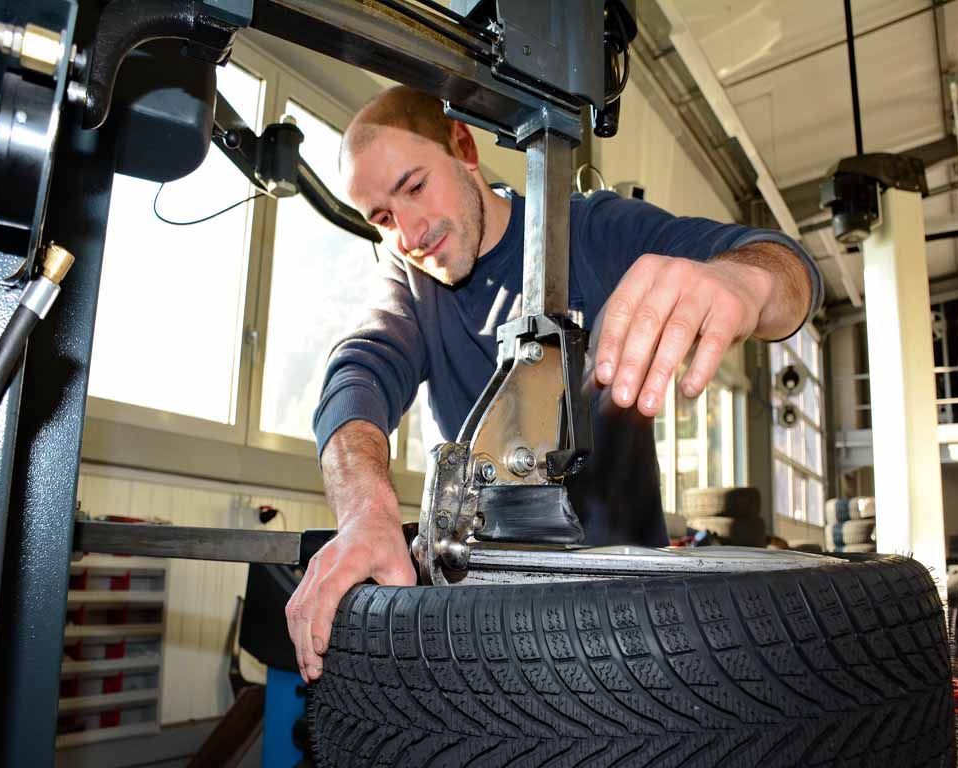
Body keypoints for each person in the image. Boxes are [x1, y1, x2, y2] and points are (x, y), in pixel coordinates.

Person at [287, 86, 821, 683]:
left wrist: (744, 285)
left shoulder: (592, 230)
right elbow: (360, 368)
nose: (409, 233)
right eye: (382, 218)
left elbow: (787, 268)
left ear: (464, 147)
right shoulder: (410, 282)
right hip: (487, 615)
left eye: (414, 187)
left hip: (627, 616)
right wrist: (364, 507)